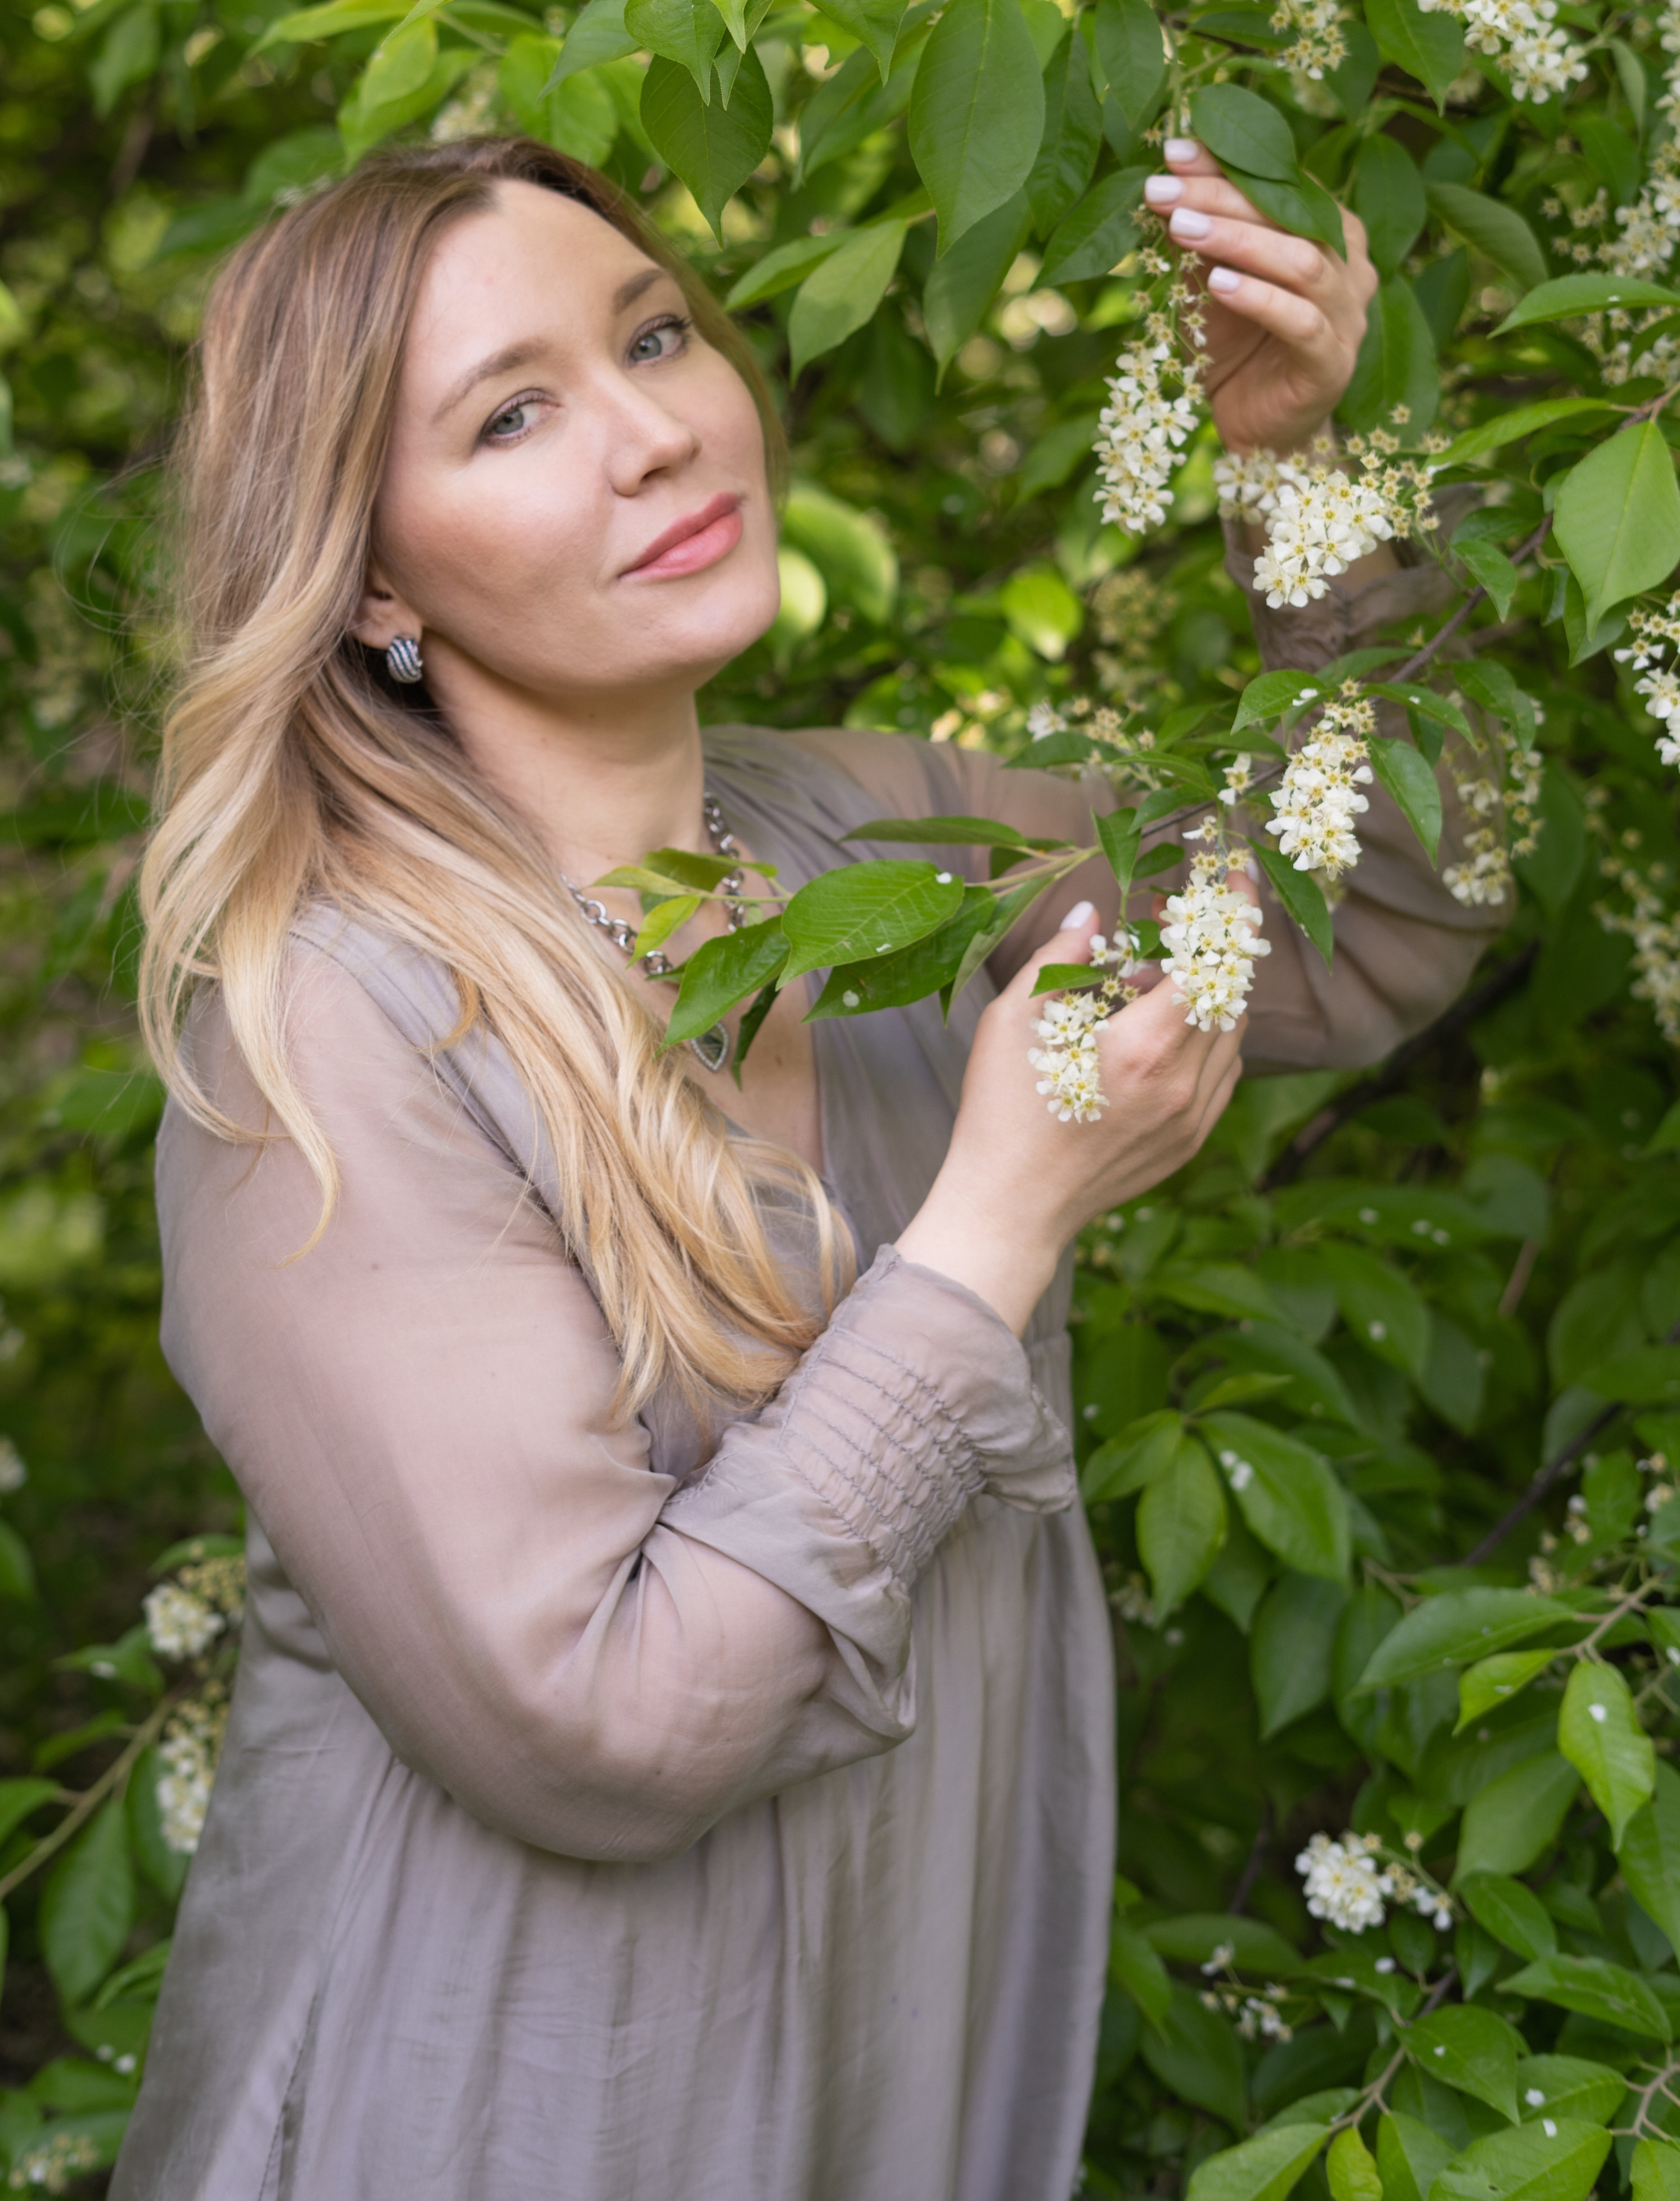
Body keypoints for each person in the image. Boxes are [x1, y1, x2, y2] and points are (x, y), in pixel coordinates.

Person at [111, 132, 1506, 2201]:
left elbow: (1399, 892)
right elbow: (601, 1725)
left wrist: (1295, 467)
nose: (658, 432)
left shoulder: (858, 843)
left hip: (884, 2057)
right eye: (515, 412)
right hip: (502, 2108)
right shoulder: (324, 1035)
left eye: (653, 335)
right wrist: (1001, 1220)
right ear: (376, 576)